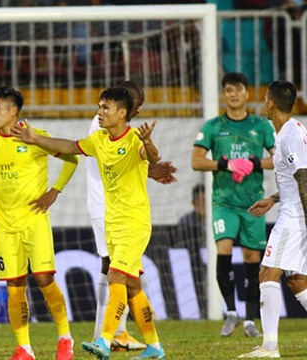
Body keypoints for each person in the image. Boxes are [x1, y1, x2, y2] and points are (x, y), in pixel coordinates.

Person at [15, 86, 166, 360]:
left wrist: (148, 143)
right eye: (99, 107)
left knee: (116, 276)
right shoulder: (98, 139)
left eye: (105, 108)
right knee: (131, 286)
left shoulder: (133, 139)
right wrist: (35, 138)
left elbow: (152, 157)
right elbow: (69, 147)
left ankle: (105, 341)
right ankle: (155, 346)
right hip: (113, 222)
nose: (100, 112)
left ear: (122, 113)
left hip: (135, 222)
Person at [0, 86, 79, 360]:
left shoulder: (35, 137)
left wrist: (54, 191)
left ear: (14, 111)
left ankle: (65, 339)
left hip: (34, 222)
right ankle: (25, 348)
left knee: (45, 279)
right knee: (14, 286)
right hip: (5, 226)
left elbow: (72, 159)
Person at [86, 80, 177, 353]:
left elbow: (132, 158)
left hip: (127, 216)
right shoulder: (103, 127)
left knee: (120, 275)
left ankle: (110, 336)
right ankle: (127, 338)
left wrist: (149, 164)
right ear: (125, 106)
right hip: (106, 208)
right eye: (135, 104)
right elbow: (113, 160)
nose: (138, 110)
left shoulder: (125, 133)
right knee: (121, 276)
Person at [191, 72, 275, 338]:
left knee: (252, 259)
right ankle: (230, 312)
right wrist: (225, 164)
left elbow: (280, 159)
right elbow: (196, 161)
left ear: (247, 94)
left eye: (238, 89)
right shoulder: (213, 126)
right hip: (223, 202)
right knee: (224, 249)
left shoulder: (262, 127)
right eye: (229, 90)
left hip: (253, 203)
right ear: (223, 95)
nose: (234, 94)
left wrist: (255, 162)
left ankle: (250, 318)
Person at [238, 80, 307, 358]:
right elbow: (296, 179)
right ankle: (268, 346)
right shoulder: (290, 132)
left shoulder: (290, 135)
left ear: (270, 102)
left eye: (264, 98)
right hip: (291, 209)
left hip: (294, 217)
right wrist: (273, 199)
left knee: (268, 272)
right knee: (298, 281)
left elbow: (304, 179)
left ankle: (269, 347)